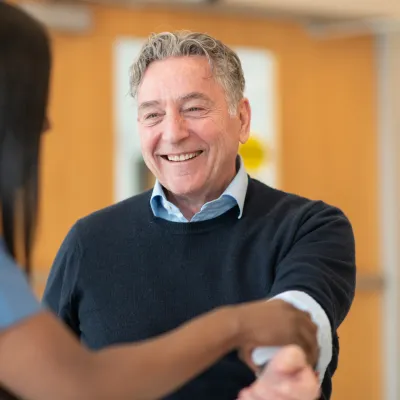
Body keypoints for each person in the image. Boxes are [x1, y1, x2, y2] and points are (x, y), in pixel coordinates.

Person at [0, 3, 320, 400]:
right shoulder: (89, 239)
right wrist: (237, 325)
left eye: (195, 108)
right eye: (30, 110)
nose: (173, 132)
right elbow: (78, 382)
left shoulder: (308, 225)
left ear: (243, 119)